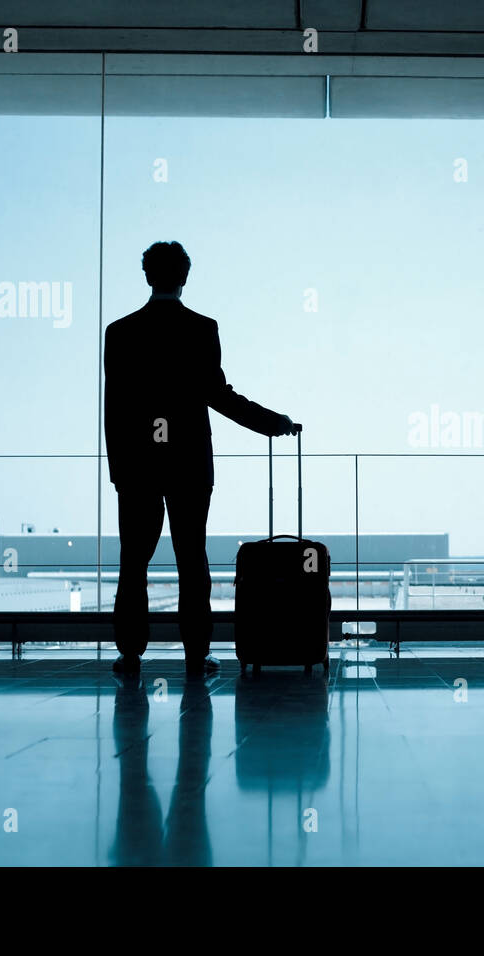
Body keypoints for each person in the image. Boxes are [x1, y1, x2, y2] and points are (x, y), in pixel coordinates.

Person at [104, 241, 296, 677]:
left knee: (133, 560)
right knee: (192, 558)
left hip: (136, 467)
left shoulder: (121, 332)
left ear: (147, 276)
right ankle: (195, 655)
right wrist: (273, 423)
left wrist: (119, 471)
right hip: (189, 464)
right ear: (184, 277)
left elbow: (114, 408)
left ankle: (130, 653)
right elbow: (220, 397)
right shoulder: (201, 329)